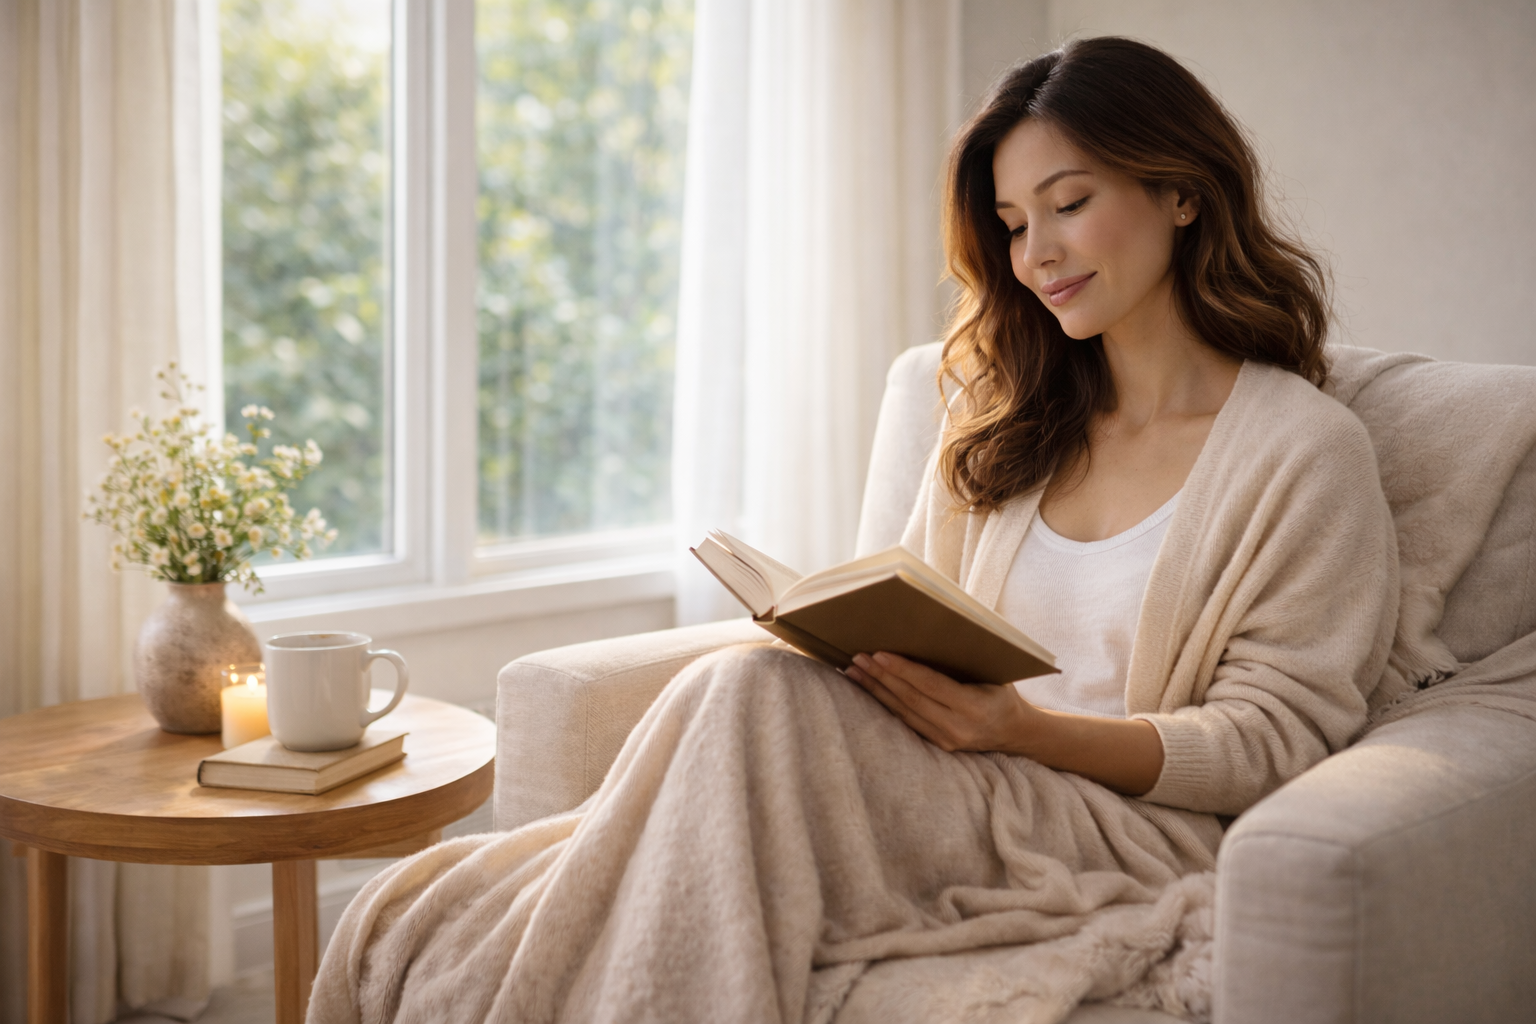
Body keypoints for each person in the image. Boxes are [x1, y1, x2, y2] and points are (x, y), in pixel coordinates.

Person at [311, 38, 1397, 1024]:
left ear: (1180, 192)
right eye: (1014, 226)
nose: (1038, 254)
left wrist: (1020, 729)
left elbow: (1272, 742)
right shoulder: (1006, 416)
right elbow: (926, 611)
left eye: (1069, 203)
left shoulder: (1302, 451)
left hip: (1116, 823)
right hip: (942, 782)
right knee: (745, 685)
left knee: (737, 696)